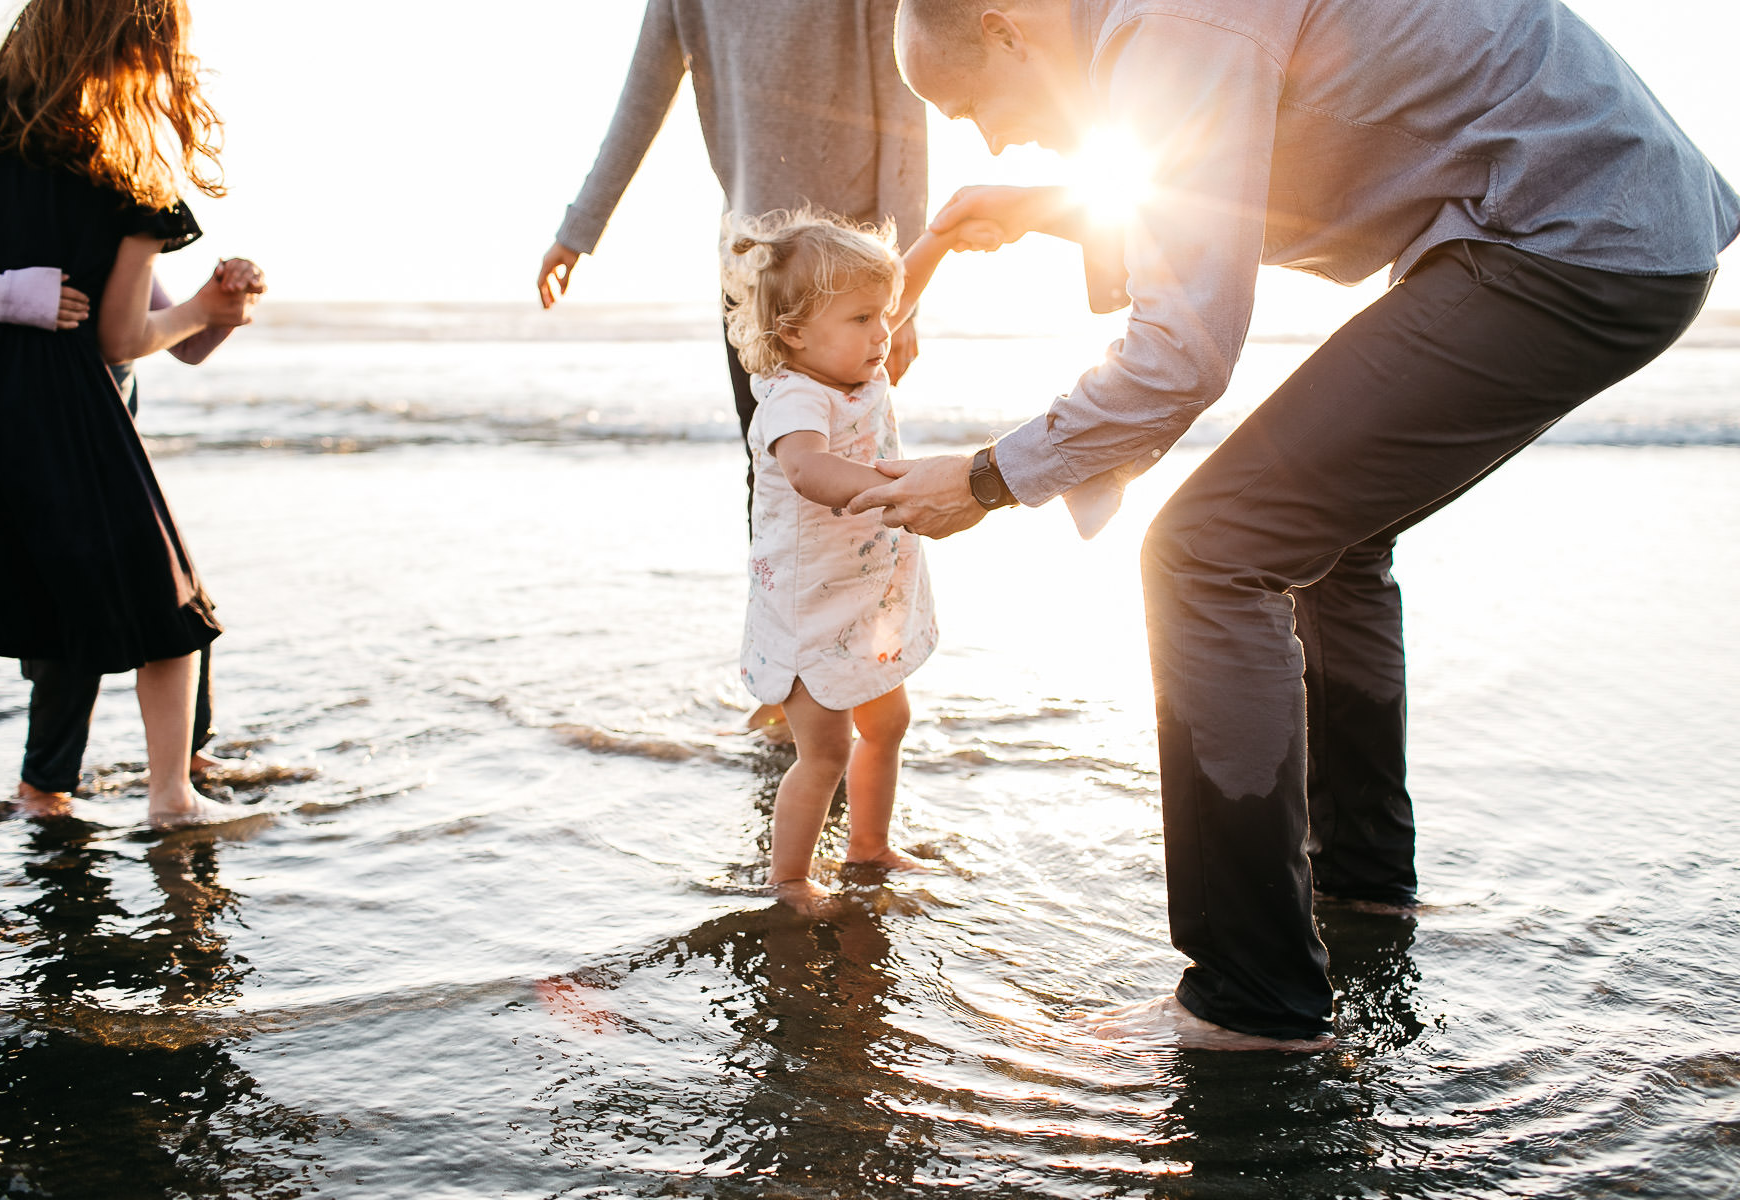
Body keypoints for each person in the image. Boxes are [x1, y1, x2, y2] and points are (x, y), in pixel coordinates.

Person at [854, 0, 1739, 1048]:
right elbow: (1260, 180)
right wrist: (1061, 206)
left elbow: (1184, 351)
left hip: (1567, 232)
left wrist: (990, 478)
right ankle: (1360, 884)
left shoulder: (1167, 25)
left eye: (972, 108)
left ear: (1005, 29)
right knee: (1331, 541)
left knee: (1206, 555)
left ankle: (1250, 998)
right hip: (1589, 217)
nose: (990, 137)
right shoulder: (1163, 32)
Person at [536, 0, 931, 740]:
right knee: (776, 475)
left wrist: (897, 297)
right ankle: (792, 684)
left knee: (862, 456)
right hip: (758, 277)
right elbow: (643, 93)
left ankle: (864, 668)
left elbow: (905, 105)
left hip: (855, 277)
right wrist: (577, 230)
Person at [0, 0, 257, 827]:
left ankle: (58, 789)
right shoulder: (128, 170)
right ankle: (171, 797)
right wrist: (201, 310)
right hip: (60, 407)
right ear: (141, 49)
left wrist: (203, 313)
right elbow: (120, 335)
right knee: (167, 602)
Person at [723, 207, 997, 911]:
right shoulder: (793, 401)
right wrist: (897, 484)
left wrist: (938, 240)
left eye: (883, 315)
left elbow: (901, 295)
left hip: (868, 596)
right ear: (793, 334)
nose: (884, 331)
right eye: (862, 319)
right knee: (824, 753)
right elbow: (812, 472)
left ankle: (868, 847)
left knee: (889, 723)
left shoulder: (854, 367)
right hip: (813, 606)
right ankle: (788, 881)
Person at [0, 260, 265, 811]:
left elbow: (186, 345)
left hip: (105, 448)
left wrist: (224, 306)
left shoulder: (105, 227)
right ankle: (45, 784)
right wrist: (12, 298)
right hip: (31, 442)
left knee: (179, 600)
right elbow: (121, 342)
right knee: (73, 622)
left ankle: (182, 755)